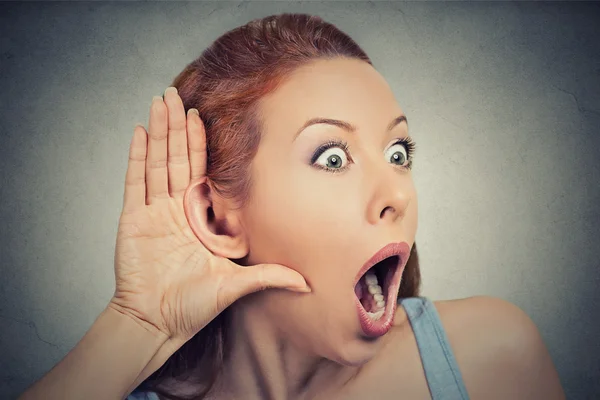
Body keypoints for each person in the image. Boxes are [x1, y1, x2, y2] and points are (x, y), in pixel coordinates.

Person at [19, 13, 565, 400]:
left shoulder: (493, 356)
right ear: (217, 218)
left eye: (398, 153)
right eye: (332, 158)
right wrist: (134, 323)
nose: (398, 193)